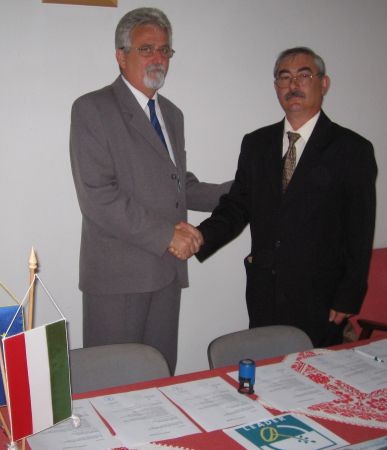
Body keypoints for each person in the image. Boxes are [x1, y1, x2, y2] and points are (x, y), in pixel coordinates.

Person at [69, 7, 231, 373]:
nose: (158, 58)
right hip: (119, 278)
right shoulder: (92, 109)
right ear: (121, 55)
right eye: (146, 49)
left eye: (164, 50)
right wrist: (166, 235)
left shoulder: (171, 114)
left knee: (159, 376)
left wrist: (243, 190)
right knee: (113, 383)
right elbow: (97, 196)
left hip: (166, 273)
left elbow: (179, 185)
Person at [192, 47, 377, 347]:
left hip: (321, 297)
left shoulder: (352, 149)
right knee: (267, 368)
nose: (293, 85)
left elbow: (360, 231)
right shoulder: (256, 144)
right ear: (276, 86)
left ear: (324, 83)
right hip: (265, 291)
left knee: (316, 372)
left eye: (304, 75)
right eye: (284, 77)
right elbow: (237, 206)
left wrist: (349, 295)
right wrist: (201, 236)